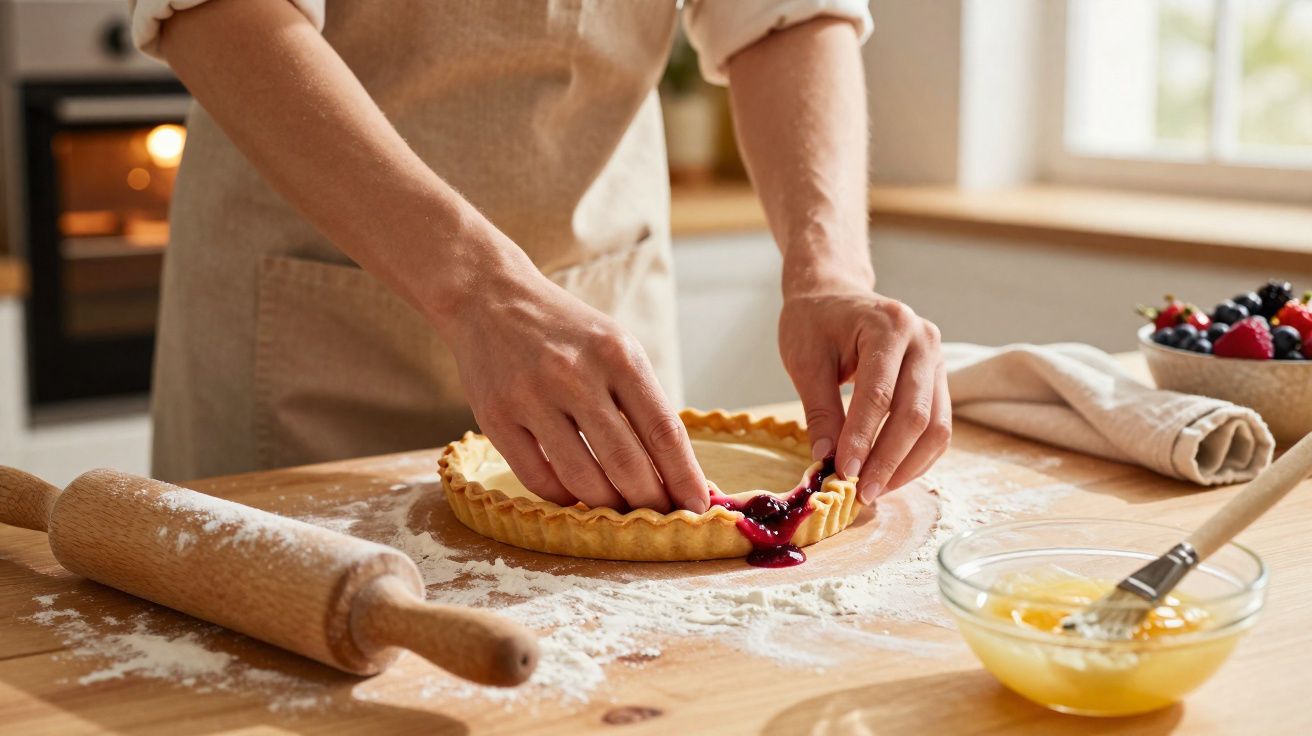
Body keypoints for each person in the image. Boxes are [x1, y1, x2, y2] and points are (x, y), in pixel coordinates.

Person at [132, 0, 950, 513]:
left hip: (599, 309)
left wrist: (827, 270)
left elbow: (787, 13)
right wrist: (477, 286)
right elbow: (217, 10)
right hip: (308, 325)